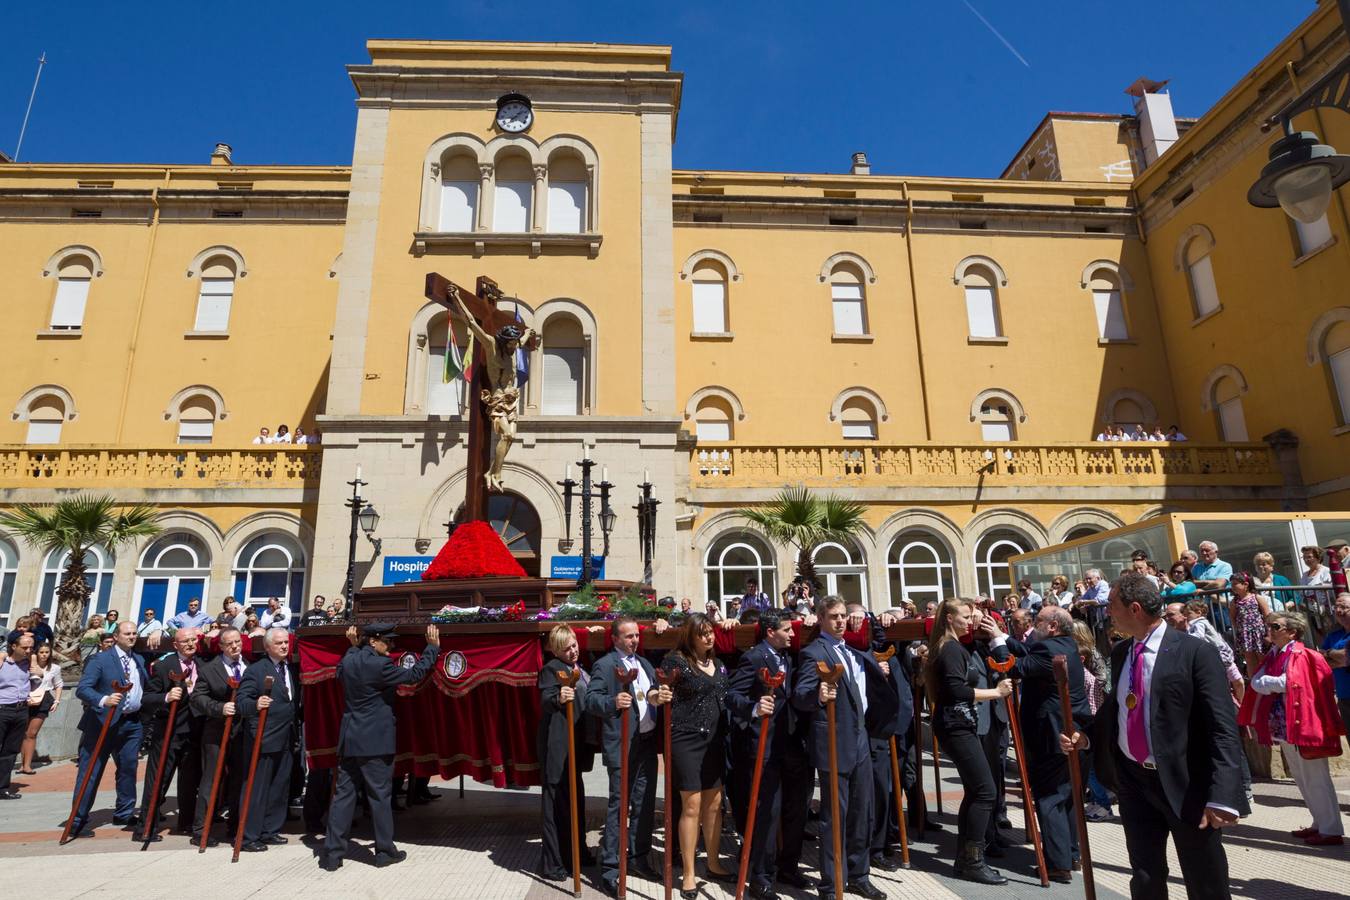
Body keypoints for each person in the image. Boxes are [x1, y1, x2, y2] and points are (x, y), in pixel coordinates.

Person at [1065, 571, 1247, 899]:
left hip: (1184, 782)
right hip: (1134, 781)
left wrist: (1223, 794)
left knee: (1204, 875)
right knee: (1145, 874)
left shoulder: (1194, 652)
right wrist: (1087, 737)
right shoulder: (1121, 652)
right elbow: (1116, 709)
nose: (1107, 612)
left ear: (1134, 609)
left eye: (1112, 605)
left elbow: (1222, 727)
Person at [793, 595, 898, 899]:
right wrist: (818, 694)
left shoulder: (854, 653)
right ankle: (831, 883)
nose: (839, 621)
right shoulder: (814, 653)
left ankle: (858, 875)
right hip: (834, 743)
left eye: (843, 616)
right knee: (834, 817)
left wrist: (881, 673)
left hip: (862, 739)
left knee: (862, 813)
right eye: (833, 617)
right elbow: (800, 695)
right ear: (822, 619)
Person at [321, 622, 441, 870]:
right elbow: (414, 675)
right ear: (374, 641)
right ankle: (385, 851)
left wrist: (353, 647)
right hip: (375, 742)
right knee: (379, 797)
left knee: (343, 796)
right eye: (388, 641)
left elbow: (344, 667)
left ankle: (333, 854)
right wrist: (431, 649)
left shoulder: (349, 660)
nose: (392, 646)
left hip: (350, 739)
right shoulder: (380, 665)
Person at [989, 605, 1091, 883]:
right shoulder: (1064, 644)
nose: (1035, 625)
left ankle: (1058, 864)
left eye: (1039, 621)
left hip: (1052, 735)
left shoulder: (1049, 650)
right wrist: (1003, 635)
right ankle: (1070, 853)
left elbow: (1014, 666)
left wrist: (997, 642)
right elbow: (1027, 653)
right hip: (1068, 732)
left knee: (1049, 798)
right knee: (1066, 798)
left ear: (1053, 626)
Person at [1239, 609, 1345, 845]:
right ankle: (1319, 823)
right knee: (1301, 777)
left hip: (1304, 724)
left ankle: (1331, 830)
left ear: (1292, 632)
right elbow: (1258, 680)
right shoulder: (1275, 654)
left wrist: (1267, 683)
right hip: (1285, 725)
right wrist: (1266, 683)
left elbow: (1292, 683)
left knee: (1316, 778)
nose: (1270, 630)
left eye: (1275, 627)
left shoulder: (1301, 654)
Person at [728, 610, 813, 898]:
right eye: (787, 629)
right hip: (764, 748)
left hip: (792, 744)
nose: (792, 634)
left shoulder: (789, 657)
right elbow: (732, 696)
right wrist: (754, 708)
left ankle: (788, 866)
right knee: (768, 812)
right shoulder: (753, 659)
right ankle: (761, 876)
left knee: (795, 810)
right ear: (770, 632)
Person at [584, 615, 671, 897]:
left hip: (645, 744)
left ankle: (637, 858)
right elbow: (590, 699)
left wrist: (657, 696)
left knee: (644, 804)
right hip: (622, 745)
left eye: (636, 635)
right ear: (615, 639)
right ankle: (610, 869)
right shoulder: (605, 665)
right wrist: (611, 702)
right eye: (629, 636)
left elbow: (650, 694)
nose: (635, 640)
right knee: (619, 806)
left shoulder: (644, 663)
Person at [660, 614, 735, 895]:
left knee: (714, 804)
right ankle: (689, 873)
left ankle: (713, 863)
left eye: (711, 632)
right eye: (702, 633)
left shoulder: (720, 665)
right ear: (690, 636)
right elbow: (660, 691)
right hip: (686, 739)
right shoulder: (676, 661)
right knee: (691, 806)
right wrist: (657, 696)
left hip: (714, 742)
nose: (709, 637)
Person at [69, 621, 149, 836]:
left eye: (134, 633)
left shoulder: (138, 660)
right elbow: (83, 689)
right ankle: (77, 820)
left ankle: (124, 812)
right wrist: (103, 699)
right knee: (91, 771)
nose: (132, 637)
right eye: (127, 633)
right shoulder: (100, 659)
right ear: (116, 636)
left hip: (131, 723)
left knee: (128, 767)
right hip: (102, 723)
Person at [537, 624, 597, 882]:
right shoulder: (552, 670)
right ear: (556, 650)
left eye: (574, 645)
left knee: (576, 802)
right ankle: (553, 863)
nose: (573, 651)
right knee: (556, 807)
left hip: (575, 747)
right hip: (557, 748)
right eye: (566, 648)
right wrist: (559, 697)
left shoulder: (579, 668)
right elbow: (546, 698)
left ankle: (577, 852)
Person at [135, 627, 204, 841]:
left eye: (193, 640)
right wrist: (165, 697)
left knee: (190, 782)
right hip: (168, 734)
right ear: (176, 645)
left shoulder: (203, 665)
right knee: (159, 780)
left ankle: (186, 823)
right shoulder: (164, 666)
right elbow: (146, 698)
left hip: (193, 733)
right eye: (185, 641)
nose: (190, 644)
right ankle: (146, 827)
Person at [235, 628, 300, 852]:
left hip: (286, 738)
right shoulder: (256, 670)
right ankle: (248, 836)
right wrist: (255, 704)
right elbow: (241, 702)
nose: (284, 646)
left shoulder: (290, 668)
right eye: (279, 643)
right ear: (267, 646)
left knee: (279, 788)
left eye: (286, 642)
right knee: (256, 789)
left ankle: (269, 830)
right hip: (263, 738)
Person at [190, 625, 248, 846]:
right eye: (229, 643)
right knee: (211, 779)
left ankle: (234, 826)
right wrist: (219, 708)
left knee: (237, 781)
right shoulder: (209, 670)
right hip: (216, 732)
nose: (235, 646)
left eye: (237, 642)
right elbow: (198, 698)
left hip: (241, 732)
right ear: (221, 647)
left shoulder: (247, 667)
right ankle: (201, 829)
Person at [0, 634, 41, 799]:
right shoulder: (2, 662)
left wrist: (37, 667)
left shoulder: (30, 663)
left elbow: (40, 679)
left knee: (10, 751)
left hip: (21, 710)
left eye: (31, 647)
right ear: (13, 646)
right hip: (2, 709)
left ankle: (2, 788)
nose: (28, 650)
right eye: (24, 647)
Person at [19, 641, 62, 774]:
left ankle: (27, 765)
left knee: (31, 733)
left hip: (44, 699)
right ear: (36, 653)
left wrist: (57, 701)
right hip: (27, 699)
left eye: (47, 652)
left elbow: (58, 684)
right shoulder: (28, 665)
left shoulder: (54, 668)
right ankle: (22, 764)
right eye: (41, 652)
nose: (44, 655)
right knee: (23, 733)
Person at [1319, 592, 1350, 737]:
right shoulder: (1333, 635)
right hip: (1344, 697)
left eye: (1344, 607)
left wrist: (1329, 653)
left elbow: (1347, 657)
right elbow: (1320, 662)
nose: (1338, 611)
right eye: (1336, 607)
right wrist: (1340, 658)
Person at [1228, 571, 1271, 675]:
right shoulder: (1235, 601)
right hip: (1245, 634)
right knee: (1250, 659)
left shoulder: (1257, 598)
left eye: (1235, 584)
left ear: (1246, 584)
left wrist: (1269, 634)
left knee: (1262, 657)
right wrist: (1239, 630)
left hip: (1259, 633)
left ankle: (1267, 680)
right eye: (1231, 584)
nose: (1232, 587)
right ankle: (1254, 684)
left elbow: (1267, 616)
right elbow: (1232, 617)